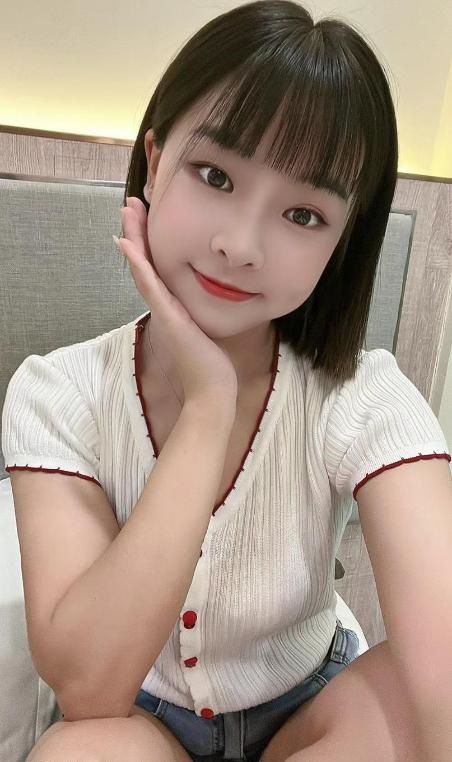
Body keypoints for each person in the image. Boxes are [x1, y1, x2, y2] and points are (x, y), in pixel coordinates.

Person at [3, 2, 450, 761]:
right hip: (141, 720)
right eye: (215, 175)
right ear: (154, 161)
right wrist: (209, 406)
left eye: (304, 215)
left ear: (341, 244)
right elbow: (90, 689)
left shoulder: (362, 397)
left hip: (313, 709)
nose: (240, 245)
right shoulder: (58, 394)